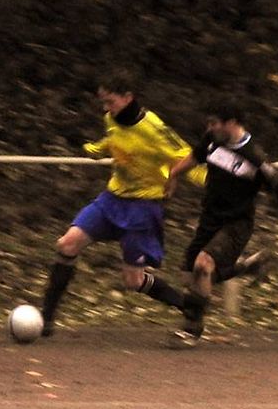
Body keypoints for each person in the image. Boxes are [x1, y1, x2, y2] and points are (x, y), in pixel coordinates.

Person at [39, 72, 205, 337]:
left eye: (111, 101)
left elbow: (189, 157)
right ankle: (45, 319)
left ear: (128, 98)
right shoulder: (111, 119)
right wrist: (97, 149)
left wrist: (214, 182)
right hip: (111, 200)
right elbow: (115, 140)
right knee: (67, 244)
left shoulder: (155, 129)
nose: (106, 108)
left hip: (143, 208)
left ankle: (189, 307)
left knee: (133, 281)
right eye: (103, 102)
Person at [164, 98, 278, 348]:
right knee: (191, 278)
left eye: (214, 123)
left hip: (236, 223)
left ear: (231, 123)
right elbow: (195, 156)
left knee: (203, 264)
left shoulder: (255, 158)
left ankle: (191, 331)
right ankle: (244, 268)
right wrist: (174, 173)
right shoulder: (212, 140)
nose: (209, 128)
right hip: (210, 218)